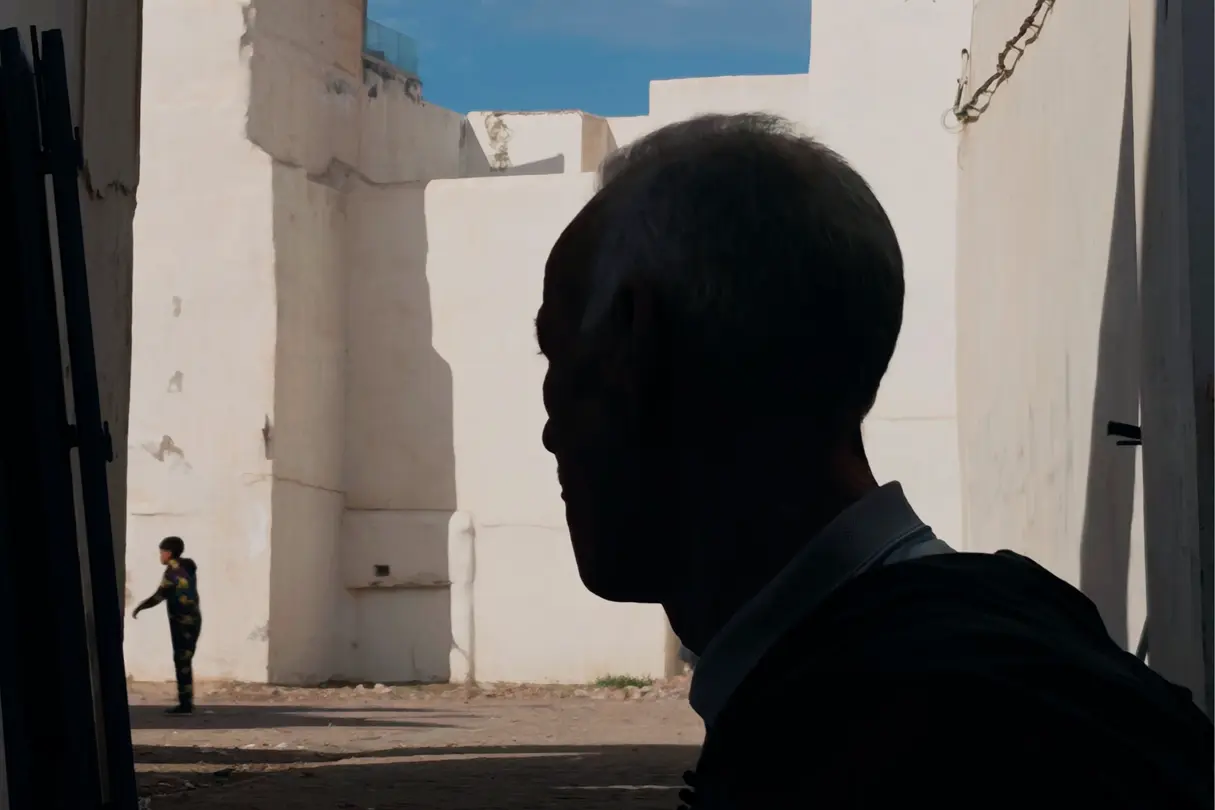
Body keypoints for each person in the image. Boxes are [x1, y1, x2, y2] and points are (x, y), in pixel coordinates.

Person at [535, 113, 1213, 808]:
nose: (551, 435)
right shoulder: (1003, 650)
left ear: (636, 344)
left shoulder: (879, 736)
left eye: (556, 354)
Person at [132, 536, 201, 715]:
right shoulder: (188, 566)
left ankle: (185, 703)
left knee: (181, 660)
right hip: (193, 619)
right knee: (185, 659)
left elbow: (160, 595)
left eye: (161, 552)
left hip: (181, 621)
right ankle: (186, 701)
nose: (160, 556)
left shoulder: (172, 571)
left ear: (168, 553)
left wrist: (141, 607)